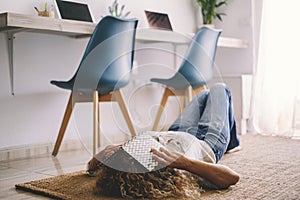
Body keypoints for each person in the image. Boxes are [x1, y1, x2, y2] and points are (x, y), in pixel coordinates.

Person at [87, 83, 241, 199]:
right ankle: (232, 142)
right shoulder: (176, 171)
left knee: (204, 94)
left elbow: (91, 168)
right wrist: (185, 162)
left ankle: (231, 138)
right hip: (208, 140)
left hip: (176, 130)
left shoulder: (128, 161)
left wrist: (106, 152)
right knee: (220, 89)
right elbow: (232, 177)